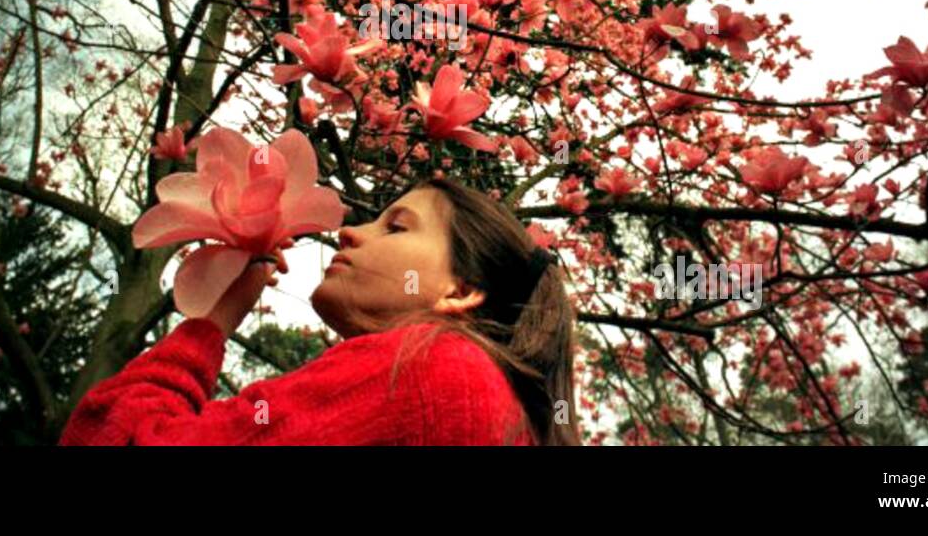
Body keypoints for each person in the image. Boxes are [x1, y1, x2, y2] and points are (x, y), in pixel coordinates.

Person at [58, 176, 579, 445]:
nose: (349, 230)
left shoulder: (432, 366)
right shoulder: (492, 401)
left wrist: (209, 327)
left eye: (396, 226)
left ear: (460, 291)